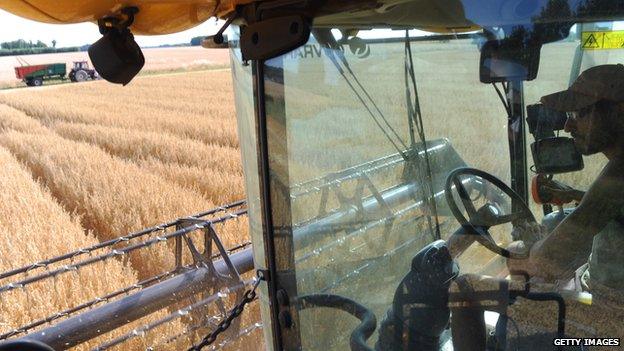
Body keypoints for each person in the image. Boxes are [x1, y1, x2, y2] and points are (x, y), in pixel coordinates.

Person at [451, 64, 624, 350]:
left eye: (581, 113)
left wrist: (527, 252)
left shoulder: (619, 174)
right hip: (606, 300)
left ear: (620, 111)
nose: (568, 126)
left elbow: (548, 263)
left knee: (464, 289)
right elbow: (606, 215)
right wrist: (575, 196)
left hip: (611, 329)